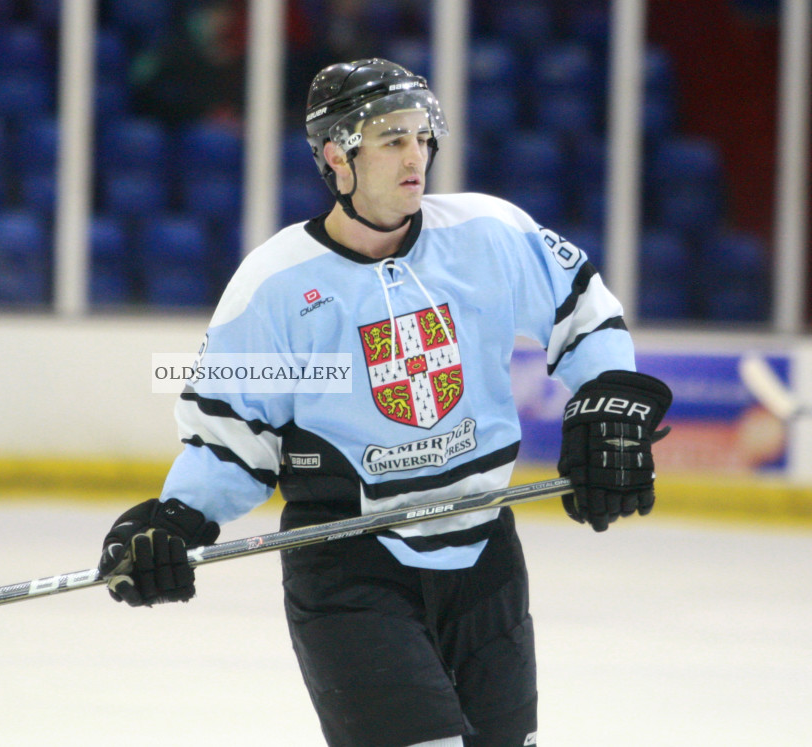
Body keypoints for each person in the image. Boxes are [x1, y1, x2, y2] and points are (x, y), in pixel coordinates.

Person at [98, 58, 673, 747]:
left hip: (485, 559)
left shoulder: (486, 234)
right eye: (393, 139)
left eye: (422, 136)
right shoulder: (273, 288)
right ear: (338, 156)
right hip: (349, 564)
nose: (417, 155)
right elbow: (230, 438)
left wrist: (609, 401)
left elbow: (585, 312)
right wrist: (175, 518)